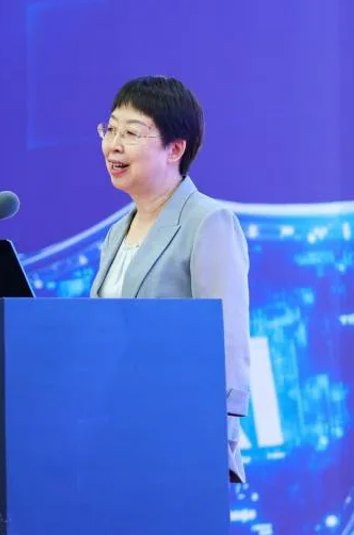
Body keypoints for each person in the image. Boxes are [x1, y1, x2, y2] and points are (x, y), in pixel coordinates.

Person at [89, 75, 251, 483]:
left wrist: (219, 435)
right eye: (111, 129)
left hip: (181, 440)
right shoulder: (116, 232)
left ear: (175, 149)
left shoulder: (208, 221)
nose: (113, 145)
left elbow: (228, 339)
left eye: (131, 133)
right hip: (116, 434)